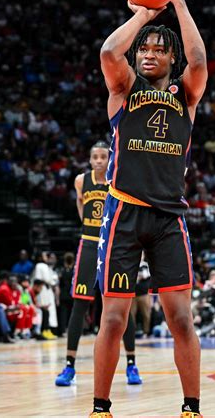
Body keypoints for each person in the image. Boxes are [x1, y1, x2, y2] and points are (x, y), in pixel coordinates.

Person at [91, 0, 207, 418]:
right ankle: (101, 408)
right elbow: (108, 52)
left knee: (181, 319)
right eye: (144, 49)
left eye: (160, 49)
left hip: (168, 219)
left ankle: (191, 408)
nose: (149, 54)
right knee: (114, 318)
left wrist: (177, 2)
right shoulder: (124, 88)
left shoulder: (186, 95)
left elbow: (199, 61)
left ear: (171, 59)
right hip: (123, 213)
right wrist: (143, 13)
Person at [56, 142, 142, 387]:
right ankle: (69, 366)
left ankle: (131, 364)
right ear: (90, 159)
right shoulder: (81, 181)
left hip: (114, 246)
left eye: (103, 156)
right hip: (89, 244)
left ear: (110, 158)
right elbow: (80, 206)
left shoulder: (118, 179)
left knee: (122, 305)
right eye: (95, 157)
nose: (99, 161)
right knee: (79, 304)